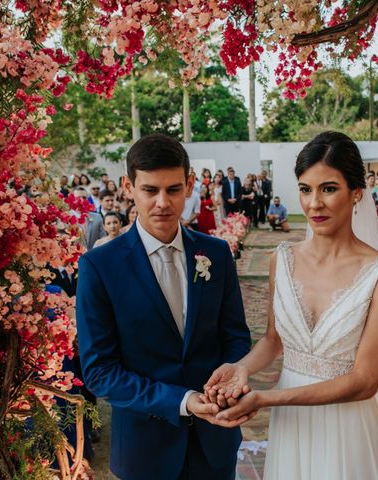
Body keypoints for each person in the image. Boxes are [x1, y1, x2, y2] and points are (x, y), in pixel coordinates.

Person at [204, 131, 378, 480]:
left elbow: (366, 381)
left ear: (356, 193)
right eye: (306, 189)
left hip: (348, 427)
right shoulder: (283, 258)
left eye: (328, 188)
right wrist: (241, 367)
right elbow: (273, 341)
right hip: (292, 428)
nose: (314, 204)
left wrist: (266, 399)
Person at [76, 134, 251, 480]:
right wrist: (182, 400)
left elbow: (235, 335)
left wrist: (232, 377)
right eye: (149, 190)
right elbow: (99, 372)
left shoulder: (215, 254)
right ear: (129, 187)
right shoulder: (100, 266)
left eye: (173, 189)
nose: (162, 202)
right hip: (145, 451)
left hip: (215, 442)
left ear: (188, 185)